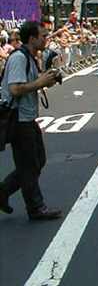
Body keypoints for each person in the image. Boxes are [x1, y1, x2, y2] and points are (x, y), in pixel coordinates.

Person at [0, 21, 61, 220]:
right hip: (19, 120)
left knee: (36, 161)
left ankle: (3, 192)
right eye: (43, 36)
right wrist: (40, 82)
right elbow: (14, 89)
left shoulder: (29, 57)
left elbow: (26, 85)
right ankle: (35, 207)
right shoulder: (19, 57)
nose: (47, 39)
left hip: (27, 118)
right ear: (32, 38)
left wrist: (44, 81)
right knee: (30, 164)